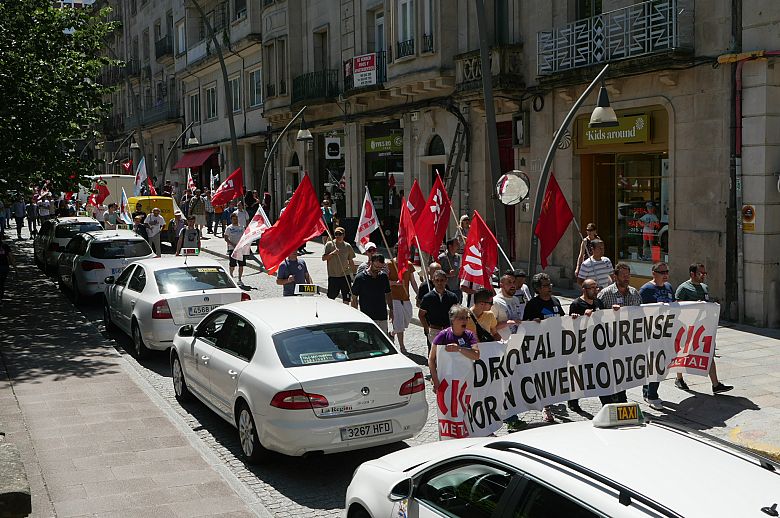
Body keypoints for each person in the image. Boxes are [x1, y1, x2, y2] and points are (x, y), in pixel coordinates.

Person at [675, 262, 733, 394]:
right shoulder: (683, 288)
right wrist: (695, 305)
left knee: (709, 353)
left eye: (705, 273)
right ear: (692, 274)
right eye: (701, 273)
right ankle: (679, 378)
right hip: (688, 327)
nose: (704, 276)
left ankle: (716, 384)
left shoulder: (705, 287)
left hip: (704, 327)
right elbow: (677, 306)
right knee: (683, 352)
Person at [597, 262, 642, 405]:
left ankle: (622, 396)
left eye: (628, 275)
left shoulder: (635, 293)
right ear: (615, 276)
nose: (626, 278)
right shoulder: (605, 294)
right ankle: (607, 399)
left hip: (628, 342)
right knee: (609, 371)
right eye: (623, 275)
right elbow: (596, 317)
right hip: (609, 342)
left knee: (623, 371)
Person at [639, 262, 683, 407]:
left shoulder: (669, 287)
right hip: (652, 333)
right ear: (654, 273)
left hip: (667, 332)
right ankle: (652, 394)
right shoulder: (646, 289)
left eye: (666, 272)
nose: (665, 274)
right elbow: (641, 310)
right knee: (655, 363)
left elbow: (674, 305)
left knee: (662, 363)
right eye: (662, 272)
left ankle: (648, 391)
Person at [523, 272, 565, 423]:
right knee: (543, 376)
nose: (550, 287)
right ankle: (545, 406)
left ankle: (550, 401)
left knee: (555, 376)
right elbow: (525, 325)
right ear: (538, 289)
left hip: (556, 345)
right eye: (546, 285)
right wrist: (532, 322)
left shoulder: (555, 301)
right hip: (540, 348)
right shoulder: (532, 304)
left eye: (550, 284)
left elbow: (562, 319)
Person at [567, 278, 605, 413]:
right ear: (584, 289)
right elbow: (571, 324)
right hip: (582, 346)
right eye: (592, 288)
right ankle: (573, 401)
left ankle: (606, 402)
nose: (596, 290)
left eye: (596, 287)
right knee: (581, 376)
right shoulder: (576, 304)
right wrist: (580, 316)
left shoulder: (599, 302)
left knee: (601, 374)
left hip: (597, 345)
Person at [428, 305, 480, 394]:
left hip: (465, 379)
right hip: (446, 379)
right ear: (452, 319)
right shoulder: (442, 335)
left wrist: (459, 349)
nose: (465, 321)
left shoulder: (470, 335)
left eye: (466, 318)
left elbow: (476, 355)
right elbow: (431, 359)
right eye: (461, 318)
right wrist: (435, 379)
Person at [418, 270, 460, 351]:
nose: (439, 283)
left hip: (448, 330)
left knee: (449, 354)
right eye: (437, 280)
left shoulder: (452, 296)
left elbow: (457, 313)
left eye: (442, 280)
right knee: (434, 355)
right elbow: (421, 315)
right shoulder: (428, 297)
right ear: (433, 281)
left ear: (446, 281)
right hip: (434, 331)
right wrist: (427, 329)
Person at [351, 253, 393, 333]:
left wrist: (391, 309)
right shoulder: (360, 278)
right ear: (370, 263)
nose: (378, 269)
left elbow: (388, 293)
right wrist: (355, 314)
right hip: (367, 316)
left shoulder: (383, 277)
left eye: (380, 268)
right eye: (376, 267)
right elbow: (354, 298)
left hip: (382, 316)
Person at [388, 248, 418, 353]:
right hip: (394, 297)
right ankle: (402, 347)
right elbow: (385, 281)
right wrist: (395, 283)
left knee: (408, 317)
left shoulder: (409, 265)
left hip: (406, 297)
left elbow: (413, 281)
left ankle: (392, 333)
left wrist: (418, 294)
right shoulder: (390, 264)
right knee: (399, 323)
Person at [322, 226, 356, 303]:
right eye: (336, 234)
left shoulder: (347, 246)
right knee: (331, 297)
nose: (338, 236)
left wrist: (354, 274)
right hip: (333, 276)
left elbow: (351, 261)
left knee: (346, 297)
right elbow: (323, 258)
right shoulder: (329, 245)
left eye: (340, 234)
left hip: (345, 275)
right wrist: (333, 253)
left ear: (343, 235)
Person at [493, 273, 522, 340]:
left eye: (514, 282)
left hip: (516, 342)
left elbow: (519, 320)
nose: (512, 285)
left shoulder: (516, 300)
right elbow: (490, 327)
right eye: (509, 282)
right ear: (501, 285)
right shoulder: (495, 302)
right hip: (502, 343)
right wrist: (507, 323)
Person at [438, 238, 462, 303]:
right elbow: (436, 274)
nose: (459, 245)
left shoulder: (458, 257)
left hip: (457, 288)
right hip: (446, 289)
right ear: (450, 246)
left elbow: (458, 271)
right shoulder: (442, 258)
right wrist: (448, 274)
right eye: (456, 244)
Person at [224, 213, 246, 283]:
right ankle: (231, 276)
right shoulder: (229, 228)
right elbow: (226, 238)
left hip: (240, 249)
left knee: (241, 265)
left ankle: (239, 279)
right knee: (232, 264)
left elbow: (244, 236)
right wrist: (232, 244)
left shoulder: (241, 227)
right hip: (232, 249)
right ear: (231, 220)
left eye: (236, 219)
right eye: (234, 219)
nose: (235, 220)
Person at [0, 233, 17, 301]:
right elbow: (11, 258)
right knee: (1, 283)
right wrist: (16, 269)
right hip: (4, 267)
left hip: (4, 267)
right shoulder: (5, 246)